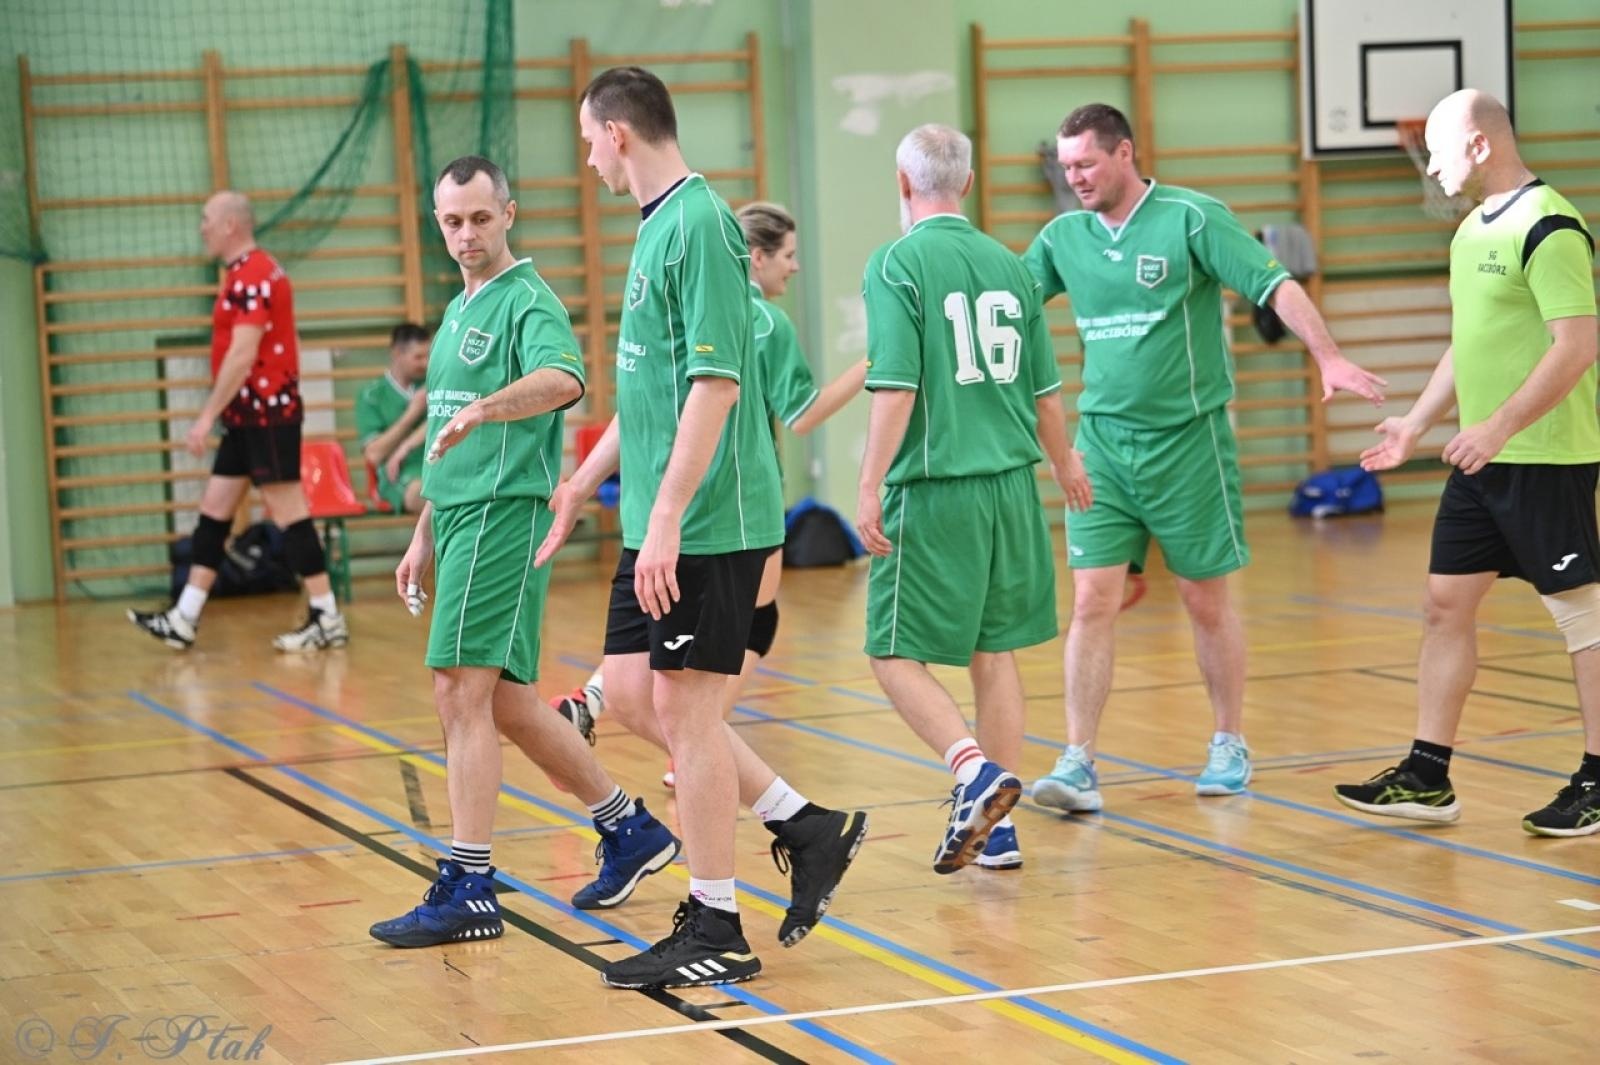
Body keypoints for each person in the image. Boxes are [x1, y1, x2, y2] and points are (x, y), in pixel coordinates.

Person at [538, 67, 865, 990]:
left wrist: (671, 518)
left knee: (686, 714)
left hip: (706, 522)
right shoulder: (653, 230)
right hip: (656, 516)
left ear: (618, 134)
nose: (588, 156)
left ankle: (715, 917)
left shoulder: (701, 228)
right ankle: (804, 825)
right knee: (636, 698)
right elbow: (648, 394)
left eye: (588, 138)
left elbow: (716, 388)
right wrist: (581, 484)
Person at [1022, 103, 1387, 811]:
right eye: (1067, 169)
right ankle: (1077, 762)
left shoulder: (1192, 218)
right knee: (1093, 600)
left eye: (1086, 165)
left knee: (1203, 599)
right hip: (1100, 444)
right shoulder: (1062, 237)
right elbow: (1006, 304)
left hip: (1189, 444)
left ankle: (1228, 741)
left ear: (1124, 152)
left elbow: (1274, 283)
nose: (1075, 180)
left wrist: (1330, 355)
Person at [367, 155, 680, 949]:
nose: (466, 234)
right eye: (451, 221)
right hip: (462, 516)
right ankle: (629, 827)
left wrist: (491, 406)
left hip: (504, 517)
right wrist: (423, 530)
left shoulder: (526, 299)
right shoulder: (456, 310)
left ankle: (470, 882)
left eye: (479, 217)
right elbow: (448, 434)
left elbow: (565, 378)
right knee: (505, 701)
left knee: (456, 694)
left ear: (509, 212)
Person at [1334, 89, 1600, 837]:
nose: (1432, 168)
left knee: (1581, 616)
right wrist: (1417, 424)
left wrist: (1499, 425)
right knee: (1444, 602)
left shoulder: (1550, 225)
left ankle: (1598, 778)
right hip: (1481, 459)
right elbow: (1470, 342)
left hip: (1546, 453)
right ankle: (1427, 774)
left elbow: (1577, 345)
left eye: (1441, 152)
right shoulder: (1469, 232)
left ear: (1481, 145)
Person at [552, 200, 869, 788]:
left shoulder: (680, 306)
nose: (794, 269)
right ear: (755, 257)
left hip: (670, 499)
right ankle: (697, 750)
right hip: (735, 504)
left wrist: (579, 486)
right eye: (789, 256)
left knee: (669, 627)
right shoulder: (765, 322)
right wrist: (876, 365)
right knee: (754, 622)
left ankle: (598, 699)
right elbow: (803, 414)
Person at [856, 123, 1082, 874]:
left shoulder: (896, 264)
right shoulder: (1014, 268)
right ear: (970, 185)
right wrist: (1064, 464)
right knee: (995, 653)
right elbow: (1047, 394)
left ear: (902, 183)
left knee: (890, 652)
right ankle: (1001, 829)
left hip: (936, 488)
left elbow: (895, 386)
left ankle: (974, 771)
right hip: (1013, 487)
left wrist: (867, 482)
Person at [127, 191, 350, 652]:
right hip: (247, 417)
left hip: (266, 415)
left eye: (206, 219)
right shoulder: (249, 274)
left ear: (231, 225)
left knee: (290, 513)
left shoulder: (252, 276)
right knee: (213, 513)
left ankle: (327, 615)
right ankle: (185, 617)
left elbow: (244, 352)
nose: (201, 228)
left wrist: (205, 416)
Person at [355, 322, 431, 515]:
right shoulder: (372, 396)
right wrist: (412, 414)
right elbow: (374, 455)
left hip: (439, 467)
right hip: (396, 476)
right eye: (418, 357)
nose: (426, 363)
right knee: (428, 496)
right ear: (397, 353)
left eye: (429, 356)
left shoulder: (433, 384)